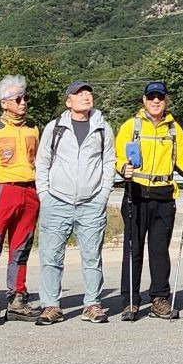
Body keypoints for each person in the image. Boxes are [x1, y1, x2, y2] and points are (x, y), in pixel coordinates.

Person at [33, 80, 115, 325]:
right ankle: (51, 306)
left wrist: (103, 195)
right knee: (51, 256)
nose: (85, 97)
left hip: (91, 202)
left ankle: (92, 304)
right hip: (57, 200)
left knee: (92, 257)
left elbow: (109, 162)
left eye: (88, 93)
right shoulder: (55, 128)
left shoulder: (102, 128)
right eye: (79, 94)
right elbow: (42, 162)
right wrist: (44, 194)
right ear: (68, 101)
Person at [115, 80, 183, 321]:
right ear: (144, 100)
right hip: (135, 193)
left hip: (163, 194)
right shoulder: (131, 126)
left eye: (160, 97)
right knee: (133, 249)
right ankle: (130, 301)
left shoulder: (174, 129)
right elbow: (118, 157)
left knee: (159, 251)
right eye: (151, 97)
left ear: (166, 100)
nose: (155, 101)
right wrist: (123, 168)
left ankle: (159, 299)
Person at [0, 75, 42, 324]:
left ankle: (17, 298)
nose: (23, 103)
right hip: (1, 192)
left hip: (29, 192)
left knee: (21, 249)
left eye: (25, 98)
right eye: (17, 99)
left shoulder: (33, 128)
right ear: (4, 103)